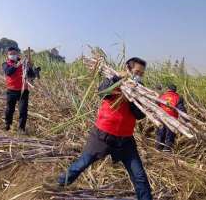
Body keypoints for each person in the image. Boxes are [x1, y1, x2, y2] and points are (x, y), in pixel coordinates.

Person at [57, 57, 153, 200]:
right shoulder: (113, 81)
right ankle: (59, 184)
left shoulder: (140, 90)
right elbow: (102, 92)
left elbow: (140, 115)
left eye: (142, 74)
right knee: (82, 163)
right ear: (128, 69)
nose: (139, 76)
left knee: (139, 176)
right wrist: (116, 79)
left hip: (125, 140)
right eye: (137, 72)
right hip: (102, 136)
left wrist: (132, 98)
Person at [2, 47, 33, 133]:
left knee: (23, 110)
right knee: (9, 109)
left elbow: (31, 75)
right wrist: (17, 63)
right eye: (11, 54)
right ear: (7, 55)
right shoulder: (5, 64)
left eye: (14, 53)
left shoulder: (24, 64)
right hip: (11, 91)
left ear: (18, 54)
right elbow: (8, 72)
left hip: (23, 91)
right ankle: (7, 124)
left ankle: (21, 129)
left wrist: (30, 66)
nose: (13, 55)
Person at [156, 83, 187, 152]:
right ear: (175, 90)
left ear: (168, 89)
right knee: (169, 136)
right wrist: (186, 120)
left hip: (161, 118)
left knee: (160, 135)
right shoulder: (178, 97)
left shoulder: (162, 96)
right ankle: (166, 153)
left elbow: (156, 105)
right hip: (172, 120)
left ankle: (158, 150)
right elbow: (181, 109)